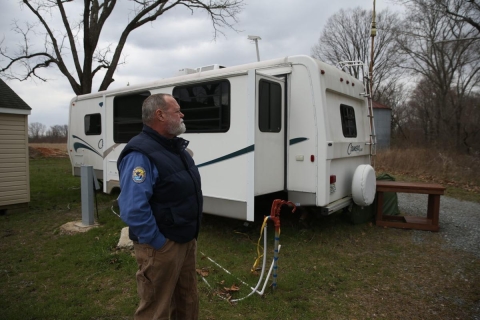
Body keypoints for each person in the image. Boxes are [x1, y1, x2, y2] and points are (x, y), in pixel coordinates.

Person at [117, 93, 203, 320]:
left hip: (184, 240)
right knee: (156, 308)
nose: (182, 114)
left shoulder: (174, 147)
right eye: (177, 111)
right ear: (160, 114)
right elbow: (133, 208)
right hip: (161, 246)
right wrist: (158, 243)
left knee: (187, 300)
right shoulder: (140, 154)